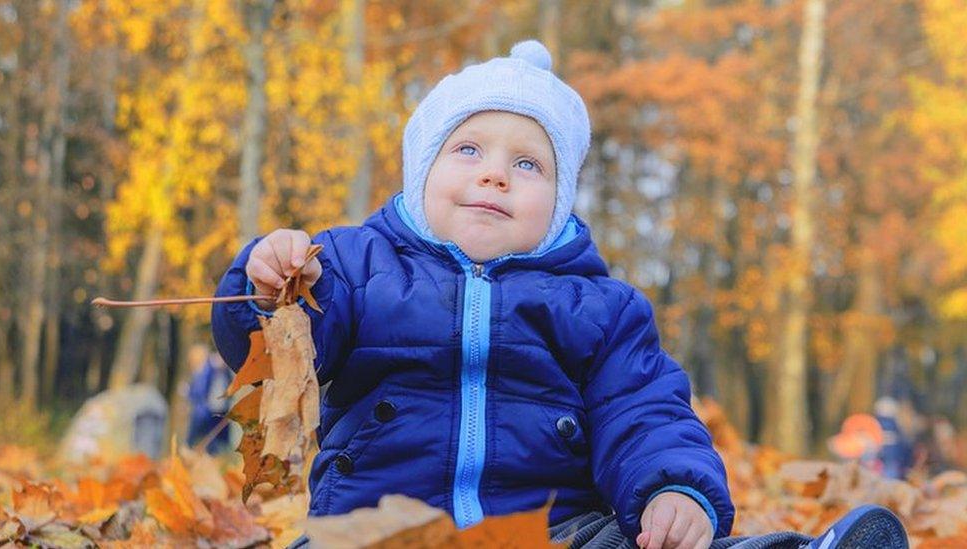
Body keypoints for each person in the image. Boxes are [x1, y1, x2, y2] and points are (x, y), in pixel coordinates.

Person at [212, 41, 907, 549]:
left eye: (527, 163)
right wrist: (266, 285)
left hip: (554, 531)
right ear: (420, 170)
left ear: (561, 198)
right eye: (468, 150)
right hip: (378, 527)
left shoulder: (600, 307)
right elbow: (270, 360)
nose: (495, 176)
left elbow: (644, 411)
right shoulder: (354, 264)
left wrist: (673, 487)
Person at [185, 344, 233, 454]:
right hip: (207, 411)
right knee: (202, 438)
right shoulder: (206, 371)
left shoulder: (224, 373)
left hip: (221, 409)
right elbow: (198, 391)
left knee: (220, 439)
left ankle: (217, 456)